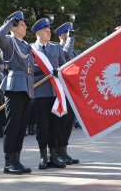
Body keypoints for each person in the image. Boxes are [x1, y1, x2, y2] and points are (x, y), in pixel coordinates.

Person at [0, 11, 34, 175]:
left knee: (21, 126)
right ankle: (9, 162)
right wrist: (11, 22)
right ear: (14, 26)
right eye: (22, 24)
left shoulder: (26, 45)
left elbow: (32, 67)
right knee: (13, 125)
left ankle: (17, 160)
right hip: (14, 86)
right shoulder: (9, 41)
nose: (25, 27)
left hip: (27, 87)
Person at [31, 18, 66, 169]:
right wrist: (42, 71)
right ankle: (43, 156)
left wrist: (59, 71)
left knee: (55, 125)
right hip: (40, 93)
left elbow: (64, 65)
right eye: (46, 31)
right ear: (38, 33)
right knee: (42, 126)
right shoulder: (31, 49)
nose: (49, 33)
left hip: (55, 92)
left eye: (49, 30)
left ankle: (54, 156)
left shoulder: (57, 47)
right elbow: (29, 70)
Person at [54, 22, 79, 164]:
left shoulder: (73, 49)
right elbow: (65, 55)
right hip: (61, 91)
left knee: (69, 122)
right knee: (61, 123)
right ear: (63, 34)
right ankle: (57, 151)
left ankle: (64, 151)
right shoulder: (58, 48)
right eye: (69, 33)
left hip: (71, 90)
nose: (72, 35)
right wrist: (70, 39)